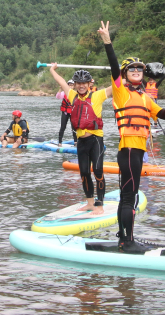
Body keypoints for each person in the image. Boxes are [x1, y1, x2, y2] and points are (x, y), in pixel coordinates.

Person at [98, 21, 165, 253]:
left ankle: (123, 237)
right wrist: (108, 41)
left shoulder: (145, 97)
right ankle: (127, 241)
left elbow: (163, 116)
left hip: (138, 151)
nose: (135, 72)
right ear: (125, 75)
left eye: (139, 70)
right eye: (131, 70)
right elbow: (114, 67)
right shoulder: (121, 92)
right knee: (129, 196)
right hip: (128, 151)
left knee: (129, 195)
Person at [50, 64, 112, 216]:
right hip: (82, 142)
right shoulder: (72, 96)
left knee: (97, 171)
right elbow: (62, 82)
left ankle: (100, 204)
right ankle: (90, 203)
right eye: (79, 83)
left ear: (90, 83)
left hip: (96, 139)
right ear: (76, 84)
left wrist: (122, 72)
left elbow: (116, 85)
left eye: (84, 83)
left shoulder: (98, 95)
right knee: (84, 173)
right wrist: (52, 69)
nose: (82, 86)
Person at [57, 79, 74, 144]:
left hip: (72, 113)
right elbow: (58, 97)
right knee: (63, 127)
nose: (70, 86)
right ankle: (60, 142)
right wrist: (60, 89)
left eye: (72, 85)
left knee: (74, 128)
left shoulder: (75, 93)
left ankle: (76, 142)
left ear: (74, 86)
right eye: (69, 85)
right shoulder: (63, 93)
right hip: (65, 112)